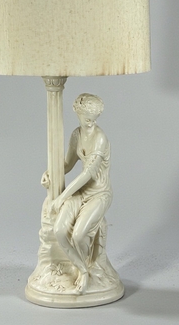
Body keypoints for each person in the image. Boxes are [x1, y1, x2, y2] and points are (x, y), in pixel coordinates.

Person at [41, 93, 112, 294]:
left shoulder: (99, 138)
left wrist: (62, 197)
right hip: (81, 192)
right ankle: (82, 268)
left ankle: (85, 272)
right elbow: (67, 164)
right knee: (59, 230)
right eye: (87, 117)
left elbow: (88, 174)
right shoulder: (76, 135)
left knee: (79, 235)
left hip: (99, 193)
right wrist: (50, 173)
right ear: (78, 113)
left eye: (94, 118)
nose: (91, 122)